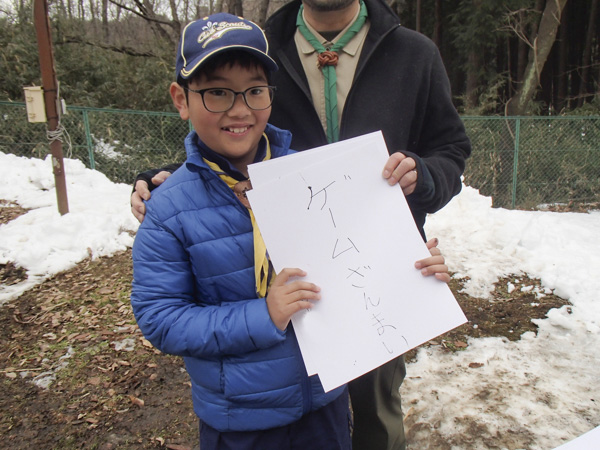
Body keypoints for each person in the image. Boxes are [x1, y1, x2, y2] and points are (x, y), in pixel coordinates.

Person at [131, 1, 471, 449]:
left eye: (255, 92)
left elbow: (449, 149)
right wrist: (173, 181)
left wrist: (408, 261)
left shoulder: (413, 53)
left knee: (377, 420)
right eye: (219, 92)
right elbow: (228, 146)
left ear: (266, 93)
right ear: (182, 98)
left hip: (349, 346)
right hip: (243, 417)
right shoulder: (270, 44)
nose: (242, 106)